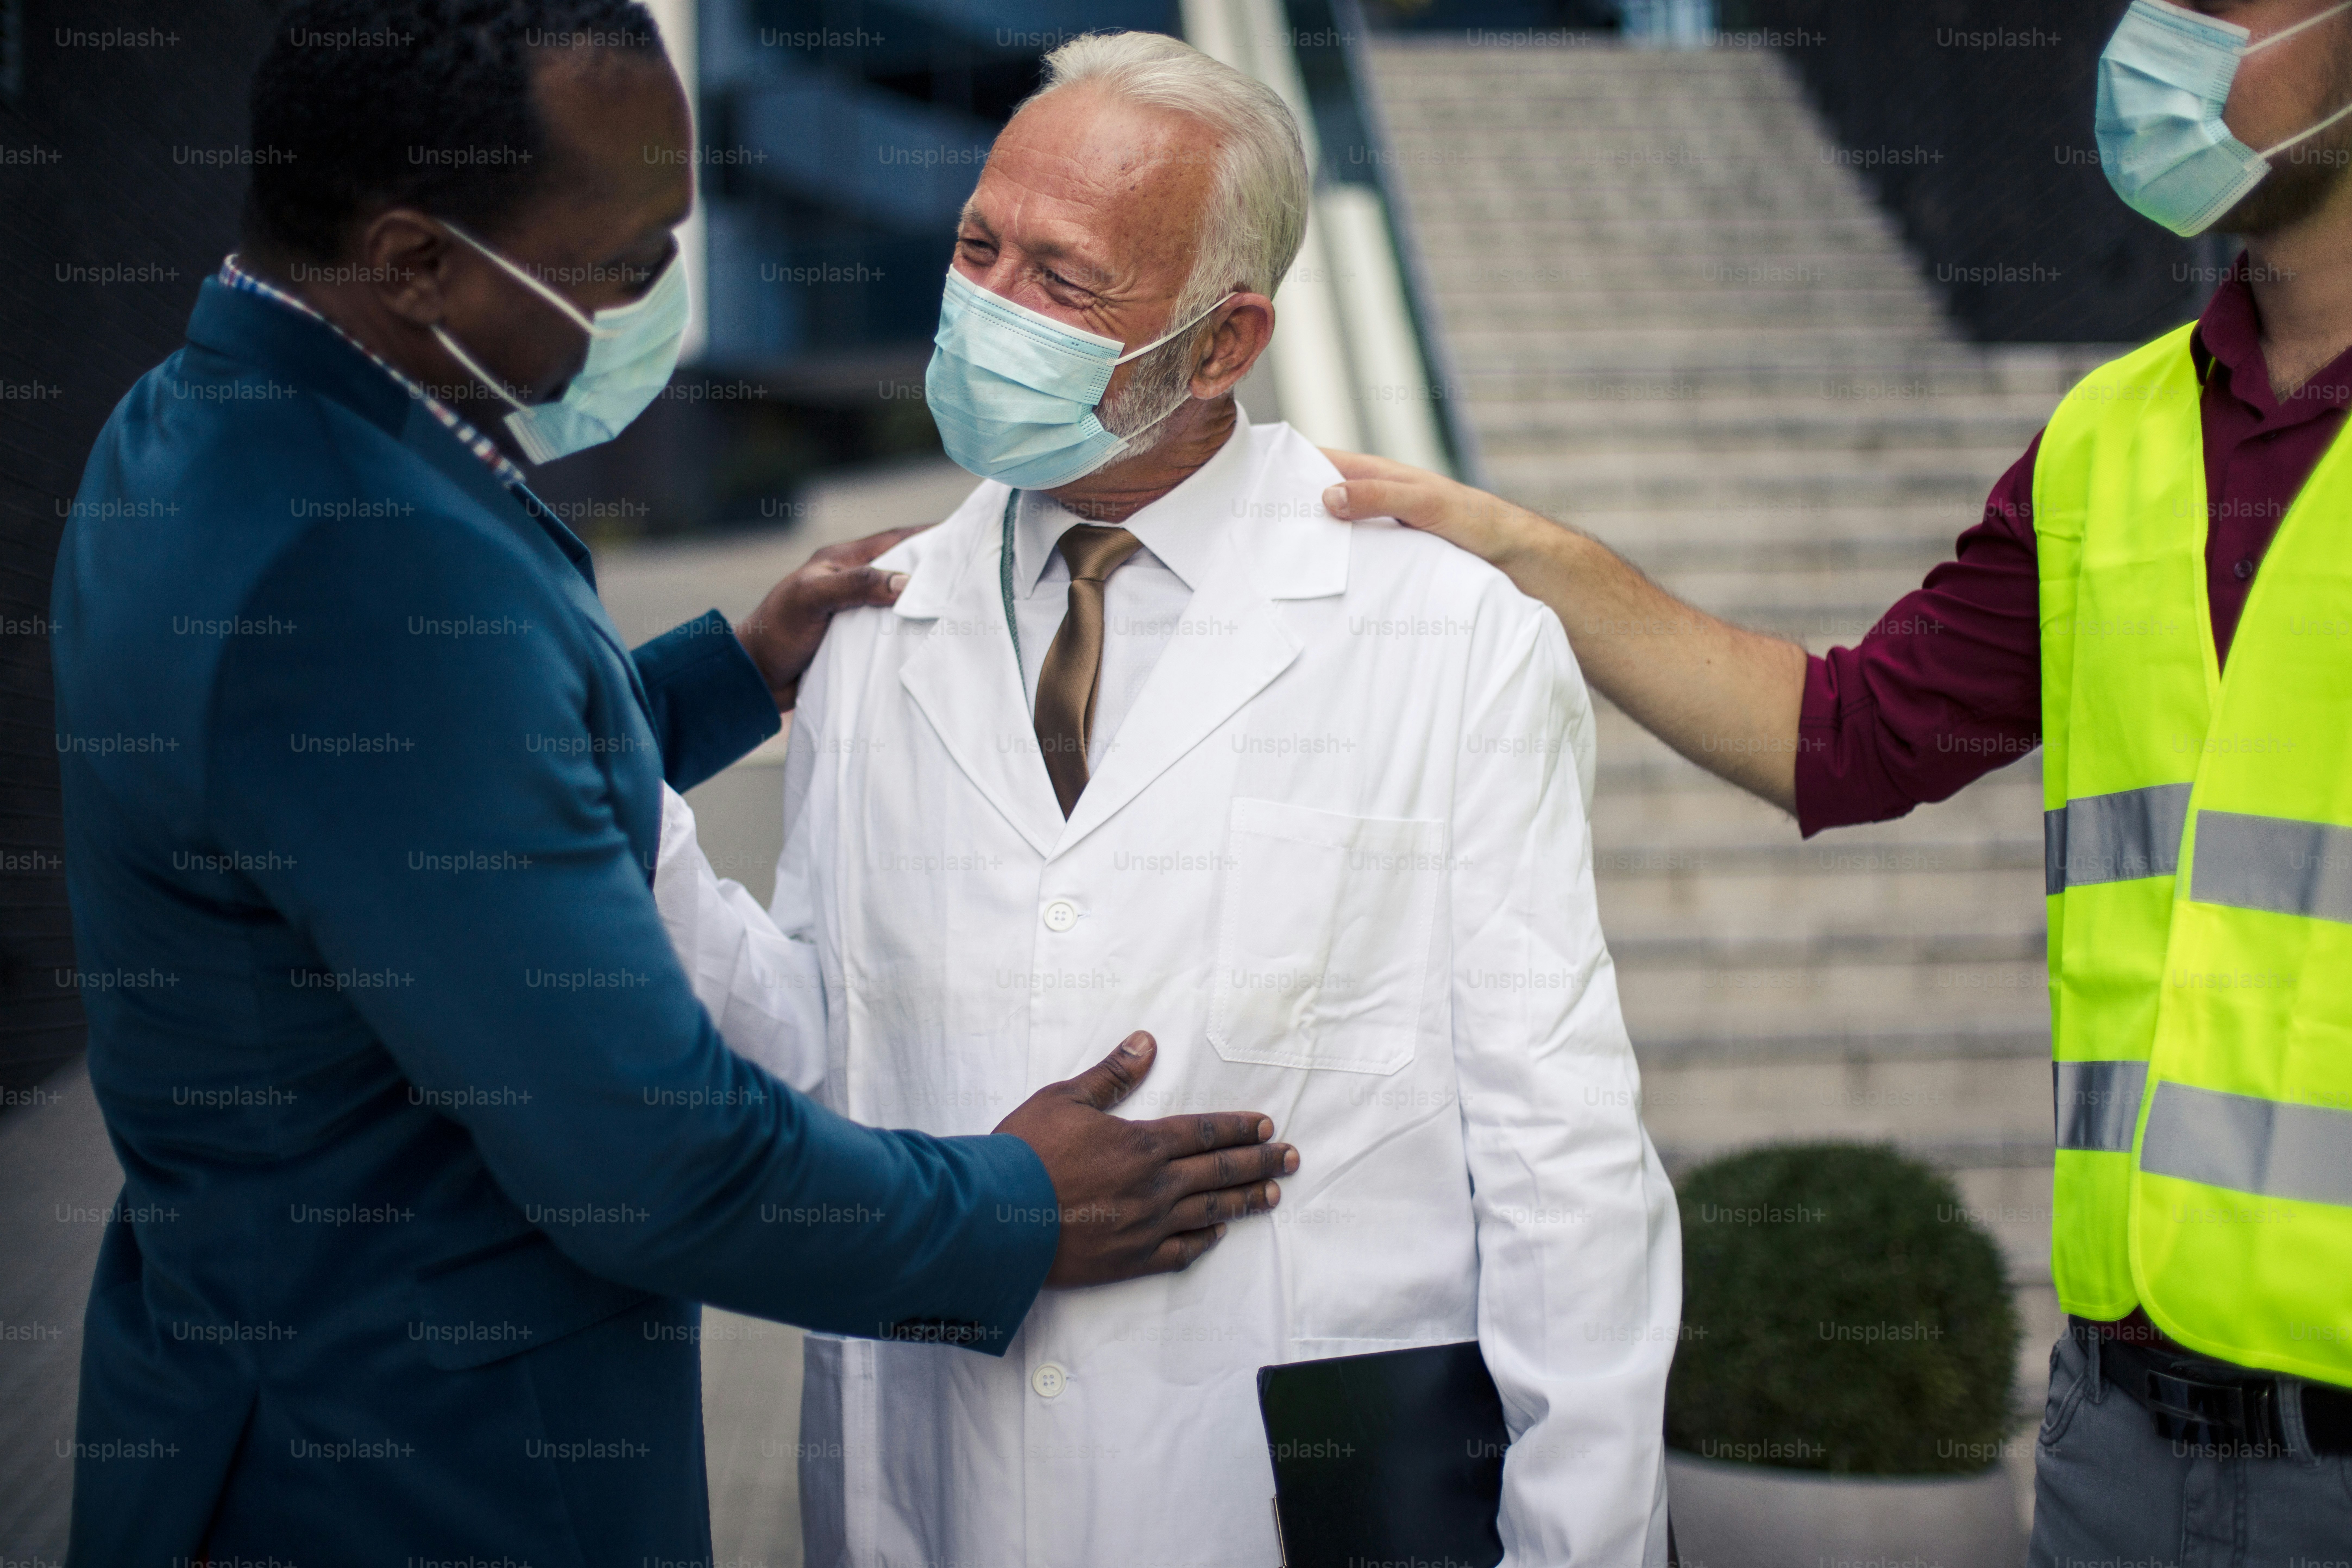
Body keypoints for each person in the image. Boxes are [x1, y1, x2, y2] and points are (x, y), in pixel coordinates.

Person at [46, 4, 1295, 1562]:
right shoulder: (354, 574)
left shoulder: (206, 413)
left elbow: (387, 830)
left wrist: (717, 682)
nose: (661, 293)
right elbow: (651, 1163)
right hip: (407, 1473)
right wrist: (1017, 1213)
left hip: (248, 1373)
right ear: (420, 262)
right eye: (624, 263)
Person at [1316, 0, 2352, 1559]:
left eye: (2226, 6)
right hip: (2121, 1435)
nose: (2160, 43)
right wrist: (1525, 553)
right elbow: (1847, 738)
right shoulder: (2105, 439)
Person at [655, 29, 1681, 1568]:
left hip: (1279, 1503)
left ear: (1221, 343)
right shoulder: (876, 628)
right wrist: (622, 818)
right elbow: (826, 1049)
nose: (989, 310)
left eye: (1063, 284)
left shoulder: (1445, 634)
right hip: (943, 1488)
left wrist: (1577, 1538)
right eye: (976, 249)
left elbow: (1560, 1150)